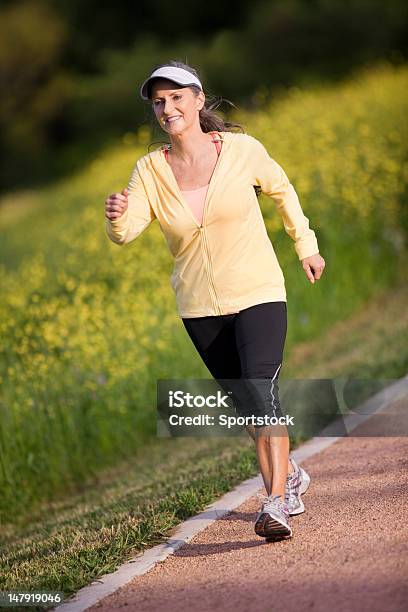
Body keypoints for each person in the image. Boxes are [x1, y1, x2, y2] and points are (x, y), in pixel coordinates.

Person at [104, 60, 326, 541]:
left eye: (177, 97)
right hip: (199, 306)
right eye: (159, 102)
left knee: (259, 390)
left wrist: (305, 244)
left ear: (199, 99)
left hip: (258, 290)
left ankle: (274, 503)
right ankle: (288, 476)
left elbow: (282, 191)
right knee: (249, 405)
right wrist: (117, 215)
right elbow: (127, 233)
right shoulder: (150, 169)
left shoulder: (242, 151)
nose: (168, 108)